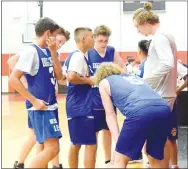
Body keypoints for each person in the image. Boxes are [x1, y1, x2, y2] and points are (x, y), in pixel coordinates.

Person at [8, 26, 70, 169]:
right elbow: (11, 62)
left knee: (42, 141)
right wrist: (27, 86)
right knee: (41, 141)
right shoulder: (31, 51)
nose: (59, 45)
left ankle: (43, 164)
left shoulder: (50, 51)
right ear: (49, 35)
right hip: (39, 103)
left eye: (62, 43)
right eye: (59, 40)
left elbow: (60, 78)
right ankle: (21, 163)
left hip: (48, 103)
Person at [94, 62, 171, 168]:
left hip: (139, 110)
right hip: (163, 108)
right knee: (154, 157)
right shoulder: (134, 77)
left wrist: (118, 141)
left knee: (119, 159)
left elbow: (110, 114)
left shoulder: (104, 82)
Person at [133, 2, 178, 167]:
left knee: (154, 143)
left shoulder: (160, 37)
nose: (138, 30)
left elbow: (168, 64)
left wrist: (145, 81)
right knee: (161, 140)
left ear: (145, 22)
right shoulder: (164, 36)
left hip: (161, 95)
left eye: (137, 26)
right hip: (163, 94)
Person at [86, 25, 124, 167]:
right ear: (94, 38)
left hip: (109, 96)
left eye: (106, 41)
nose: (103, 44)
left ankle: (108, 161)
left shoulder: (111, 51)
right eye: (100, 40)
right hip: (93, 97)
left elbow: (122, 67)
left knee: (108, 130)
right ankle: (91, 163)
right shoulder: (88, 53)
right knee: (94, 133)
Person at [63, 27, 96, 168]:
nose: (93, 39)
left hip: (76, 105)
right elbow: (71, 77)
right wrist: (89, 80)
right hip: (80, 105)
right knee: (90, 143)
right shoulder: (78, 56)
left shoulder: (75, 55)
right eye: (92, 36)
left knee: (76, 143)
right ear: (83, 39)